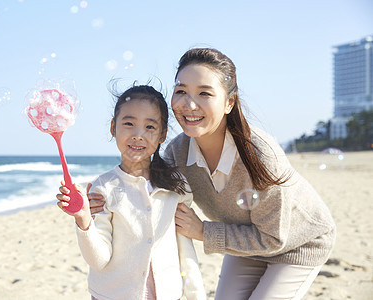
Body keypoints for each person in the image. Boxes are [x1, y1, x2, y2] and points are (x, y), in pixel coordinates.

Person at [88, 48, 337, 300]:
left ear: (229, 102)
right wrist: (92, 198)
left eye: (204, 93)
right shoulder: (178, 153)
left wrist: (203, 232)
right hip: (243, 240)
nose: (189, 104)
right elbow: (137, 179)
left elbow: (273, 238)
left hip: (297, 244)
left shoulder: (261, 156)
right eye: (181, 91)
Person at [56, 85, 206, 300]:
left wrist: (196, 295)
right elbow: (99, 260)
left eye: (150, 127)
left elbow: (185, 250)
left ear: (163, 134)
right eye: (128, 124)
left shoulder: (175, 187)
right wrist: (83, 219)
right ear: (113, 128)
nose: (138, 135)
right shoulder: (102, 188)